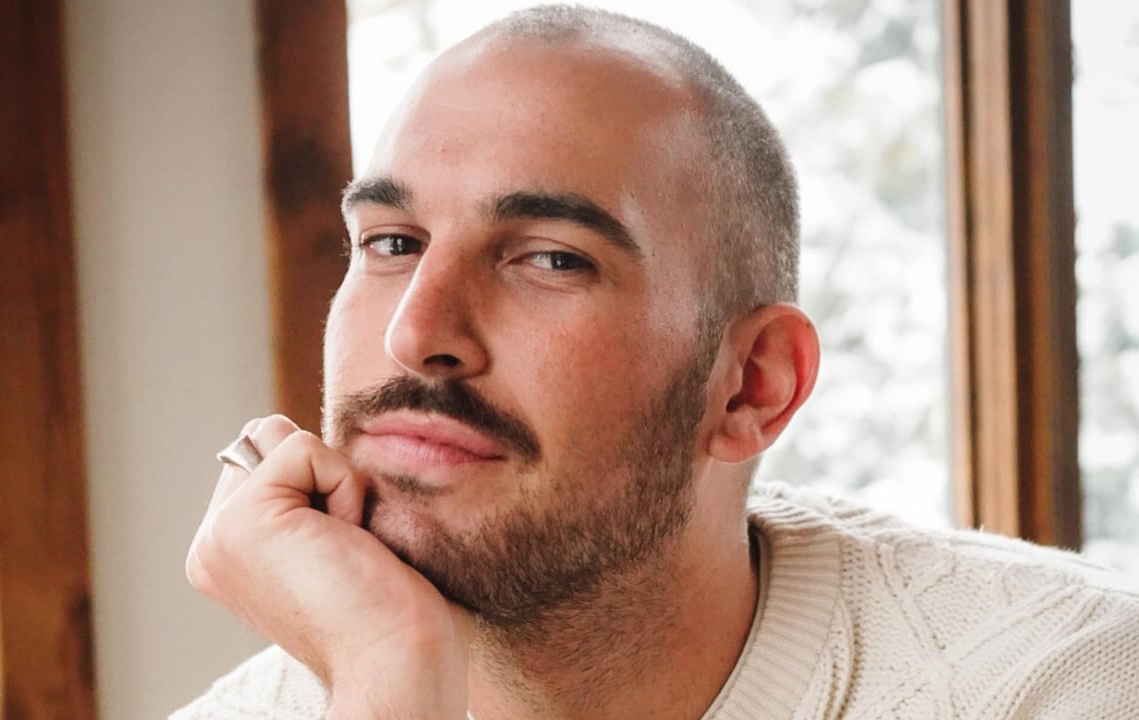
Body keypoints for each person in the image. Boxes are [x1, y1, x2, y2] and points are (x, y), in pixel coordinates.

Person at [174, 6, 1139, 719]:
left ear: (753, 386)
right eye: (391, 243)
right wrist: (389, 670)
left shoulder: (1069, 683)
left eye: (551, 258)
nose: (416, 331)